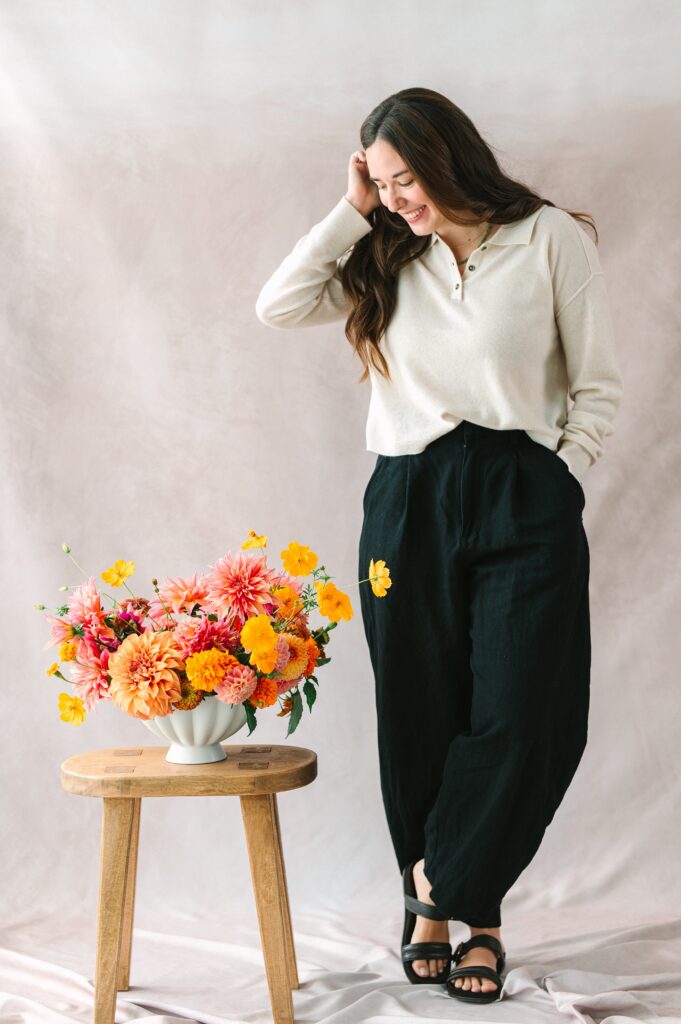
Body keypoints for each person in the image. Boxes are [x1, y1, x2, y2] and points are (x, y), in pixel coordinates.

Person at [255, 87, 623, 1005]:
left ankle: (441, 884)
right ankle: (459, 920)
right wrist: (353, 211)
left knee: (527, 708)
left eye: (405, 178)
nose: (397, 199)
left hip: (519, 489)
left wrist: (558, 475)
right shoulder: (383, 249)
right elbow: (277, 305)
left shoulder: (546, 239)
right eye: (381, 183)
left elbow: (597, 382)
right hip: (407, 496)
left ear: (450, 154)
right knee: (421, 707)